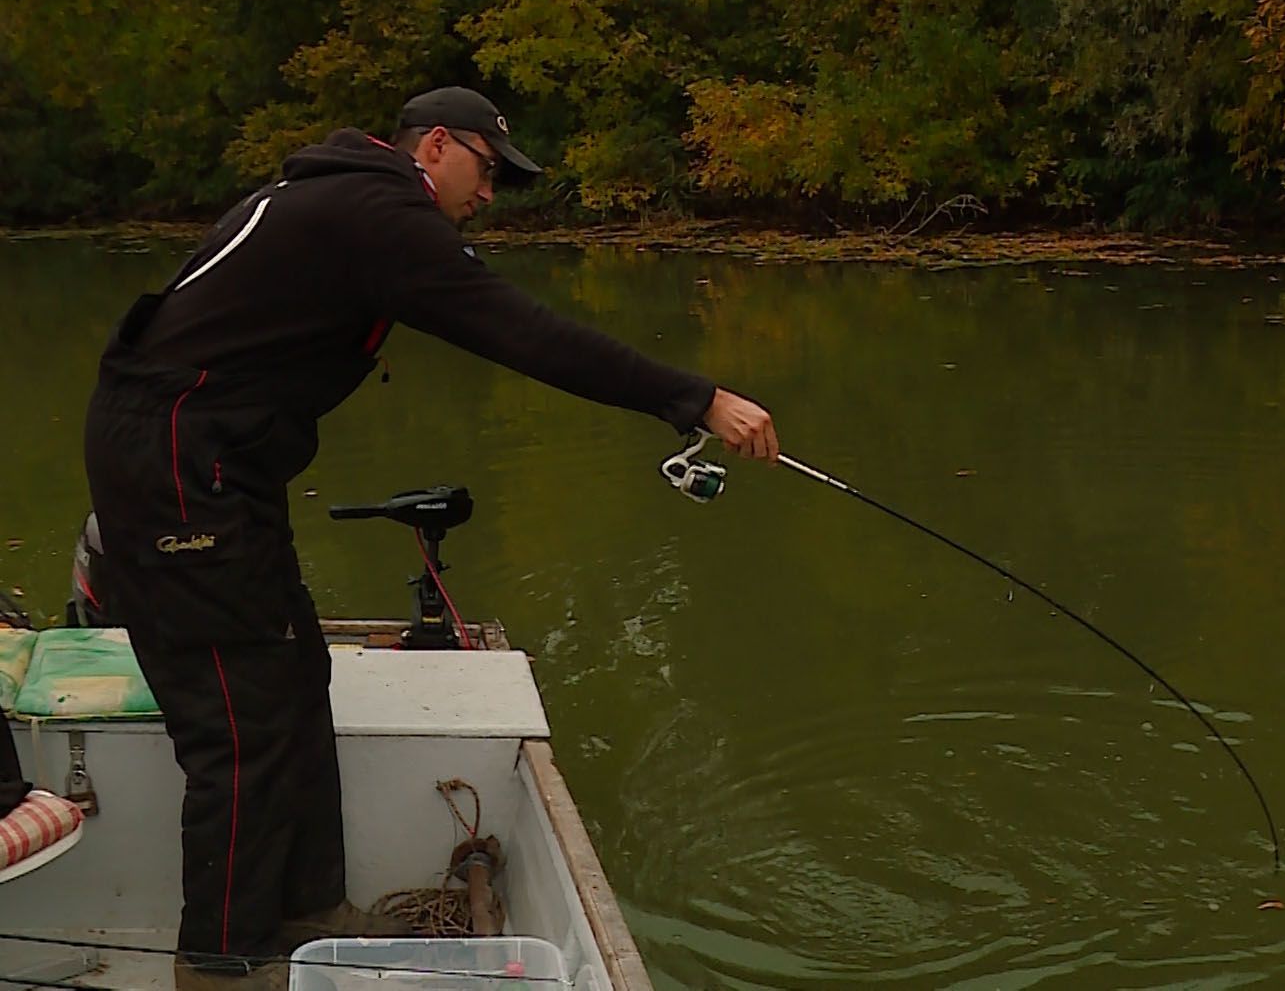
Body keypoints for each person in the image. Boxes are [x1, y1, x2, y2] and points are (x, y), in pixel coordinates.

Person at [82, 86, 778, 990]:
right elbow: (521, 333)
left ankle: (303, 909)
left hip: (217, 466)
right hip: (175, 467)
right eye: (488, 172)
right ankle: (219, 964)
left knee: (294, 673)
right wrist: (693, 398)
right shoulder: (377, 211)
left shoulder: (330, 196)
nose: (490, 195)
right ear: (437, 146)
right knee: (240, 725)